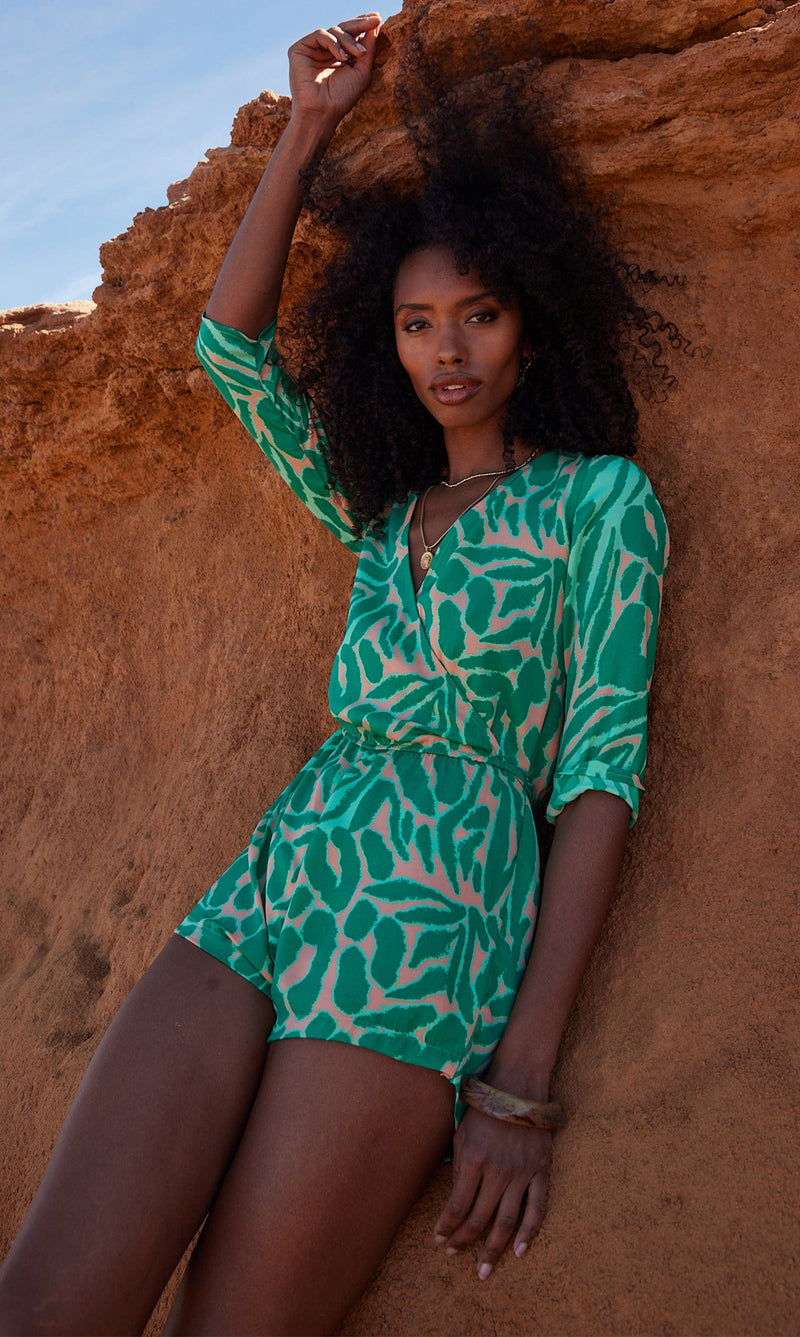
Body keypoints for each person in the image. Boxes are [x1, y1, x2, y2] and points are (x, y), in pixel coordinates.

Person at [0, 13, 671, 1335]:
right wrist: (311, 122)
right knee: (44, 1303)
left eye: (479, 313)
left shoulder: (602, 503)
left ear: (532, 325)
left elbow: (599, 776)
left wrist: (519, 1084)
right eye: (418, 322)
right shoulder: (377, 511)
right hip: (279, 872)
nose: (449, 350)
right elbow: (230, 352)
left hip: (430, 917)